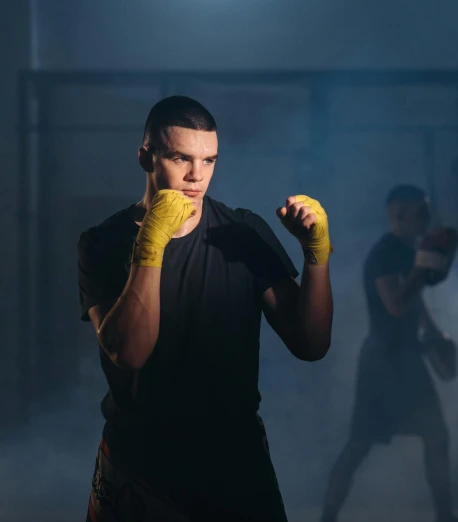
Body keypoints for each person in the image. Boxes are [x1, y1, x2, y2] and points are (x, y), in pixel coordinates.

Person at [77, 95, 334, 522]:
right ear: (146, 156)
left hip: (235, 460)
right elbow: (129, 353)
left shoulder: (243, 231)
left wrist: (317, 257)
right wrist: (151, 244)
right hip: (141, 461)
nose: (197, 176)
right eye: (181, 158)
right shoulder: (102, 243)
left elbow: (311, 344)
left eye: (209, 160)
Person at [320, 185, 458, 522]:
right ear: (399, 213)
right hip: (383, 361)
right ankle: (326, 519)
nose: (427, 218)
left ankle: (445, 517)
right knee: (359, 445)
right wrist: (422, 266)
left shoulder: (408, 250)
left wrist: (432, 329)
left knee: (436, 435)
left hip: (406, 356)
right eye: (420, 212)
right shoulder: (385, 253)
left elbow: (415, 299)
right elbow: (396, 305)